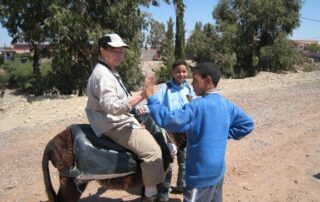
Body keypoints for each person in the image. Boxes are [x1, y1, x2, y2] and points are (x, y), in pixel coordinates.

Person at [145, 62, 255, 202]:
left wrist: (151, 98)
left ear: (208, 80)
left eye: (195, 80)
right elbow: (248, 124)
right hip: (218, 173)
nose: (191, 84)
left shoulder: (197, 107)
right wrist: (221, 133)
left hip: (200, 177)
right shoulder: (226, 104)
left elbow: (167, 119)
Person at [85, 33, 163, 201]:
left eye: (121, 52)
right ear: (102, 50)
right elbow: (113, 107)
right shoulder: (104, 75)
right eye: (115, 51)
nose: (119, 55)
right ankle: (150, 195)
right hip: (114, 125)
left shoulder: (108, 71)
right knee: (153, 152)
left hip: (115, 120)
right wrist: (143, 95)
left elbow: (120, 101)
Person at [154, 59, 195, 201]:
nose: (181, 74)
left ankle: (181, 185)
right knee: (167, 162)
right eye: (178, 71)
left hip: (185, 131)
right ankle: (162, 191)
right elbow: (156, 103)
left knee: (184, 160)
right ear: (172, 72)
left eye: (184, 71)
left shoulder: (189, 88)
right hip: (169, 132)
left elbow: (194, 105)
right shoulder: (166, 88)